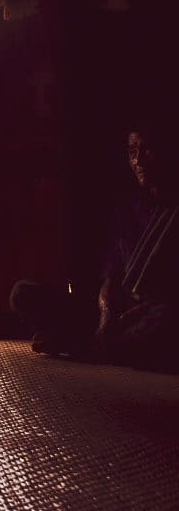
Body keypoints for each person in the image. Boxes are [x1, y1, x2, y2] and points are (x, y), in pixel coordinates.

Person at [10, 113, 179, 372]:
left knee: (167, 321)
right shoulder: (128, 210)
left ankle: (85, 346)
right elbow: (110, 279)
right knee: (22, 293)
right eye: (133, 151)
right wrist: (106, 319)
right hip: (114, 312)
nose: (139, 160)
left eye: (148, 150)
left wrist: (134, 313)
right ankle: (98, 343)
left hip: (155, 313)